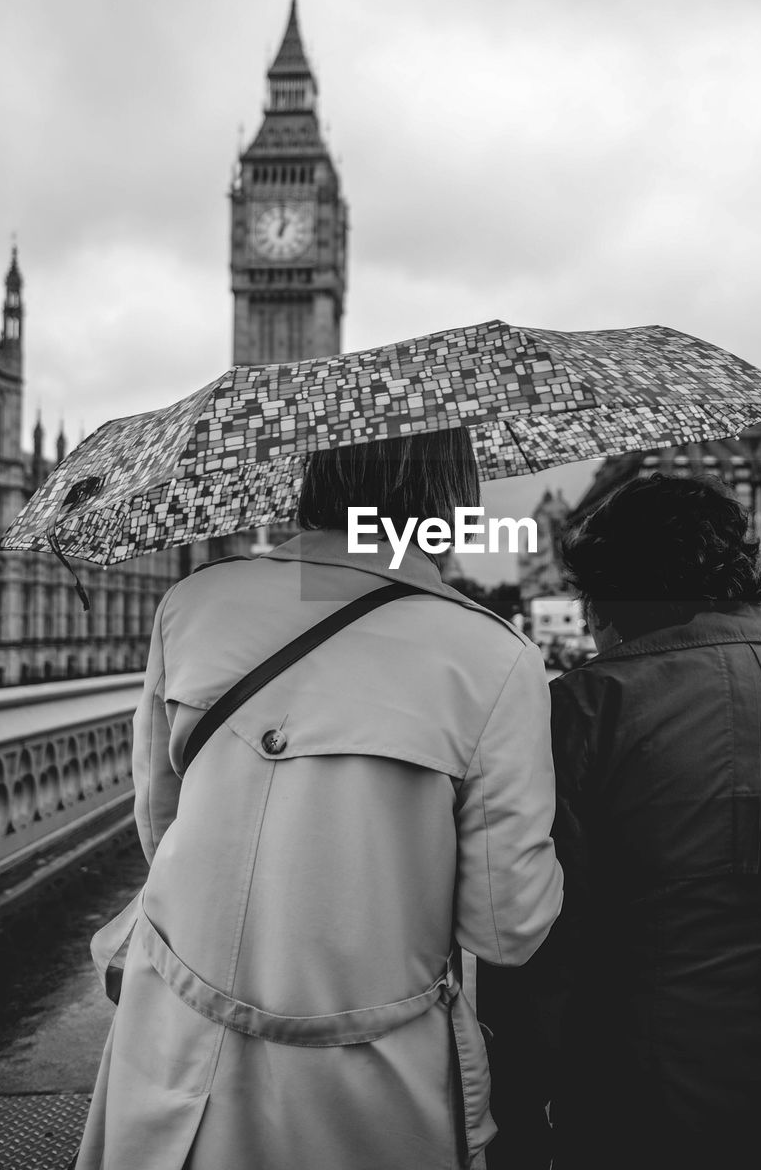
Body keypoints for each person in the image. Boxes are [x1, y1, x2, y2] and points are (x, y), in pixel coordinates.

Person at [76, 427, 563, 1170]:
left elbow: (162, 829)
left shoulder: (196, 601)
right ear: (448, 502)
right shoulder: (495, 655)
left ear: (313, 480)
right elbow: (506, 928)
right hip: (366, 1087)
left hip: (172, 1045)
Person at [479, 470, 761, 1170]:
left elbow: (540, 941)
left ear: (613, 591)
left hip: (641, 1106)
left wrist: (516, 1114)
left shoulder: (580, 711)